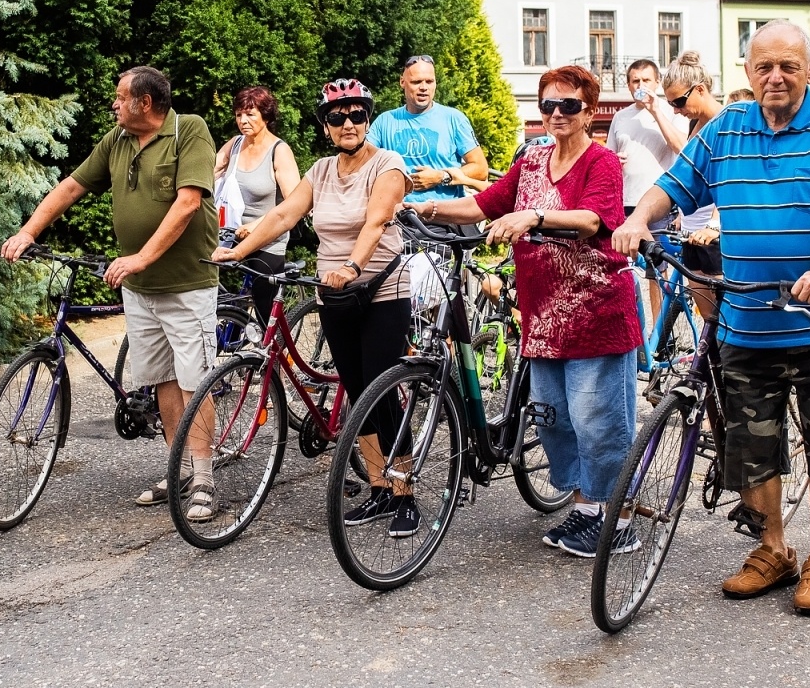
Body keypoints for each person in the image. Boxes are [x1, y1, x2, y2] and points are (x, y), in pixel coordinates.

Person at [614, 19, 810, 617]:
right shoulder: (723, 131)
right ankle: (772, 550)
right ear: (747, 72)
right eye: (764, 66)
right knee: (750, 444)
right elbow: (674, 184)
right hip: (747, 321)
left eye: (789, 66)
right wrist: (640, 218)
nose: (775, 77)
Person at [409, 64, 640, 559]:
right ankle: (584, 509)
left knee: (597, 419)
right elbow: (483, 205)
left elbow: (592, 220)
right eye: (548, 105)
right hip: (543, 314)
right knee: (554, 418)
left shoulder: (602, 163)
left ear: (589, 112)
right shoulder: (533, 160)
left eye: (569, 106)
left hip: (597, 309)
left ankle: (618, 517)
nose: (557, 114)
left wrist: (534, 216)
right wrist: (418, 207)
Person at [1, 66, 223, 516]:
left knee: (194, 383)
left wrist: (141, 257)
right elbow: (72, 186)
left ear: (145, 102)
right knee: (163, 381)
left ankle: (204, 481)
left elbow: (187, 203)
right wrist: (29, 231)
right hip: (139, 290)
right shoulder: (117, 140)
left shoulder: (189, 130)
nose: (114, 105)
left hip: (186, 284)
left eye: (121, 98)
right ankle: (178, 469)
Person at [213, 80, 419, 536]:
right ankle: (380, 487)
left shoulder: (388, 164)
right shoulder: (322, 170)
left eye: (357, 115)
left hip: (382, 291)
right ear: (325, 127)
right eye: (337, 117)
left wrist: (351, 265)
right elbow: (285, 215)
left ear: (368, 119)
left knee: (380, 391)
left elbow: (378, 220)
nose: (348, 124)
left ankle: (405, 494)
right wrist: (240, 248)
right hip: (334, 295)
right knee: (355, 386)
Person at [212, 86, 302, 322]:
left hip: (266, 238)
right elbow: (208, 174)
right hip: (230, 233)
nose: (243, 120)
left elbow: (296, 202)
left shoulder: (279, 151)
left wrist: (255, 226)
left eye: (250, 114)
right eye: (239, 114)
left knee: (265, 312)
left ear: (266, 115)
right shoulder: (234, 144)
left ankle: (279, 355)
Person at [607, 58, 681, 328]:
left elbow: (680, 148)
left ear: (656, 83)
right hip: (626, 204)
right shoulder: (620, 117)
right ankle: (628, 330)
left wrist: (655, 110)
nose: (640, 85)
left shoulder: (671, 112)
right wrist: (615, 161)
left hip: (659, 204)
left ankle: (660, 334)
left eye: (646, 80)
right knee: (621, 271)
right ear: (628, 85)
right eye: (635, 81)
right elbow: (610, 156)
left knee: (656, 273)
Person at [367, 54, 488, 205]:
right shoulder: (385, 121)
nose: (424, 87)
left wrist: (441, 177)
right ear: (402, 82)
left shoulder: (454, 119)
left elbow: (481, 169)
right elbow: (362, 163)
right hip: (397, 217)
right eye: (416, 82)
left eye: (429, 81)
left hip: (445, 217)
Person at [662, 52, 724, 321]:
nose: (676, 109)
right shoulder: (693, 123)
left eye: (679, 101)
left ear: (700, 89)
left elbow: (730, 182)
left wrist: (714, 224)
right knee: (708, 320)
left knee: (725, 320)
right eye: (671, 103)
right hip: (691, 229)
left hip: (715, 233)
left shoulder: (725, 123)